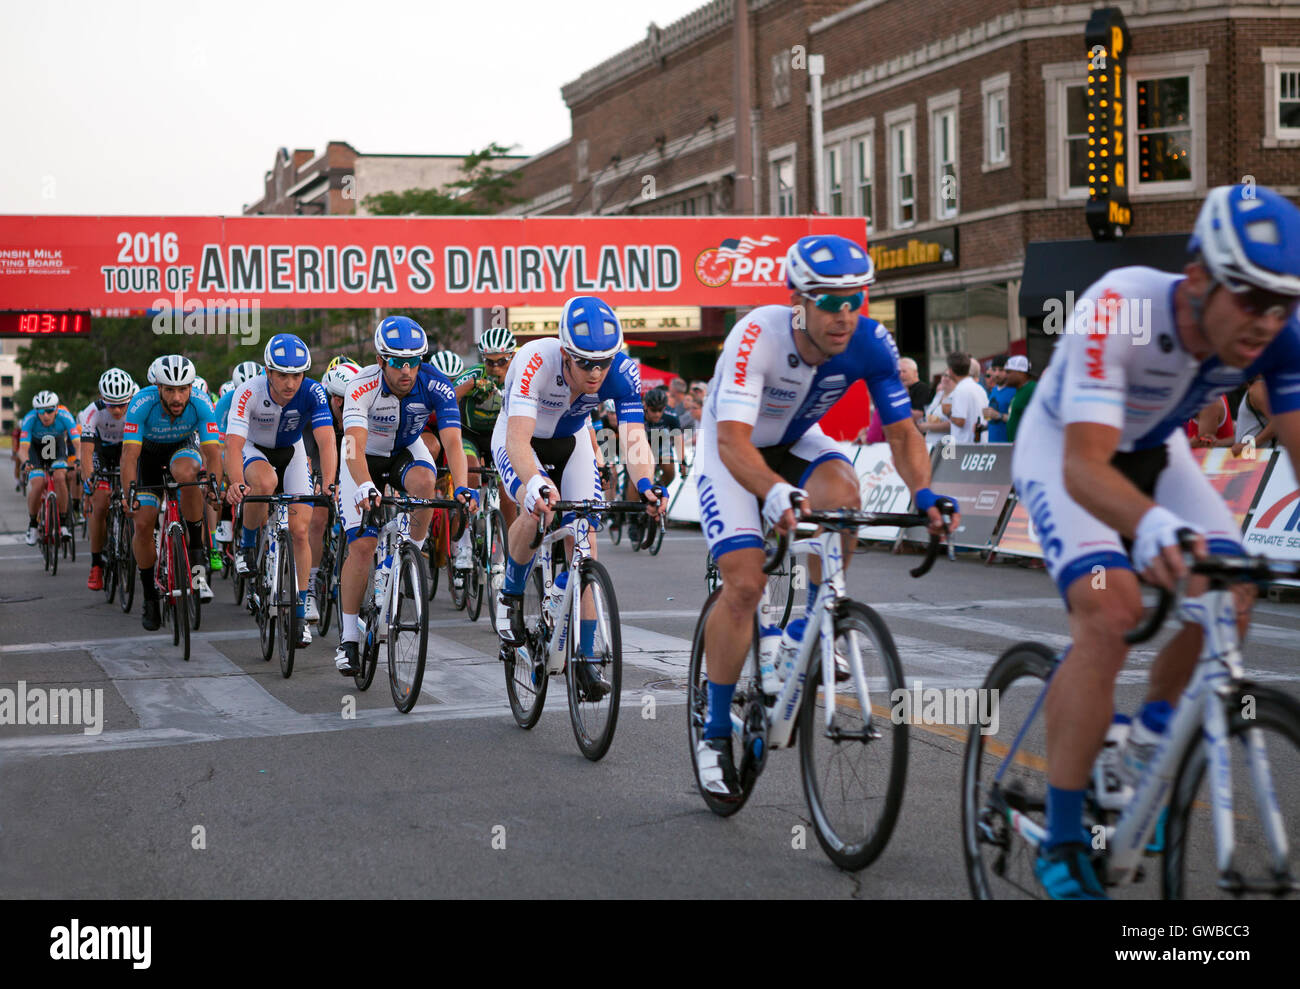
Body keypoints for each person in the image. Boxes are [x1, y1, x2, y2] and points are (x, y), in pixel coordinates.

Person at [1010, 183, 1300, 899]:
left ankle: (1148, 741)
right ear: (1198, 276)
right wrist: (1151, 525)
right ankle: (1066, 837)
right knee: (1110, 612)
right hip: (1067, 449)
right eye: (1251, 296)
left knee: (1232, 586)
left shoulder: (1279, 335)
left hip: (1155, 448)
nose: (1267, 319)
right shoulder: (1125, 304)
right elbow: (1084, 466)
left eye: (1283, 301)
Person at [691, 234, 960, 802]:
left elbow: (904, 433)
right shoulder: (756, 336)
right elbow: (735, 444)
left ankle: (811, 626)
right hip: (731, 449)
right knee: (744, 582)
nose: (844, 315)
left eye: (854, 299)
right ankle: (714, 733)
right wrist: (773, 493)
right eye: (828, 301)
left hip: (793, 439)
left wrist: (928, 496)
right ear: (800, 301)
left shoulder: (870, 343)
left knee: (844, 493)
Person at [492, 296, 664, 701]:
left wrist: (646, 486)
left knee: (585, 539)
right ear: (565, 354)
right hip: (522, 440)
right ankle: (512, 593)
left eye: (604, 361)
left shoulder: (622, 371)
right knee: (537, 511)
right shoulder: (536, 360)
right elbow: (517, 440)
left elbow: (634, 438)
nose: (596, 372)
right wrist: (534, 483)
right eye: (585, 363)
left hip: (571, 442)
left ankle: (586, 660)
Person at [334, 316, 477, 676]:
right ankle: (349, 638)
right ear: (381, 360)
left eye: (414, 361)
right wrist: (365, 484)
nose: (406, 371)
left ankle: (412, 547)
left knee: (427, 484)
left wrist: (462, 487)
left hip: (403, 450)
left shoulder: (436, 384)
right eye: (397, 362)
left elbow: (454, 443)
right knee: (362, 546)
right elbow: (352, 444)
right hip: (362, 456)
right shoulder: (360, 386)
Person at [224, 334, 337, 649]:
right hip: (254, 448)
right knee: (264, 484)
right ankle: (247, 545)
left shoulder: (313, 392)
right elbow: (232, 445)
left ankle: (299, 615)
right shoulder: (249, 392)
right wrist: (235, 482)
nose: (290, 383)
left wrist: (328, 481)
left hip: (292, 451)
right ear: (268, 372)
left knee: (300, 531)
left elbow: (326, 440)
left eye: (297, 375)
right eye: (283, 375)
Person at [119, 355, 224, 630]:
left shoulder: (202, 402)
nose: (177, 397)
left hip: (183, 448)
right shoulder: (141, 402)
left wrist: (214, 488)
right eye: (169, 390)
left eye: (182, 389)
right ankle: (150, 598)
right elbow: (130, 455)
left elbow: (213, 453)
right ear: (158, 388)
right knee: (142, 525)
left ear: (191, 387)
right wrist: (128, 493)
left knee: (188, 475)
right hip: (148, 458)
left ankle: (198, 555)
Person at [449, 327, 519, 586]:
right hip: (470, 435)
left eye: (502, 361)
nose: (495, 367)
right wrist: (470, 386)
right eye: (490, 362)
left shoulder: (518, 376)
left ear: (511, 359)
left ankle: (502, 558)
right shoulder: (475, 374)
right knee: (469, 472)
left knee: (508, 494)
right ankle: (464, 545)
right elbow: (448, 397)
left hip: (499, 438)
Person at [79, 368, 136, 589]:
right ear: (102, 399)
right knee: (100, 501)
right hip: (100, 452)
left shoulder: (136, 408)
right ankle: (96, 565)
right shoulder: (91, 412)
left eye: (123, 404)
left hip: (127, 451)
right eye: (112, 404)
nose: (118, 409)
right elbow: (86, 453)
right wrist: (88, 479)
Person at [19, 390, 80, 546]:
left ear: (56, 409)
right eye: (41, 411)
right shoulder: (30, 418)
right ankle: (32, 524)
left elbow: (77, 443)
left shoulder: (65, 417)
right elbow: (23, 448)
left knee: (60, 478)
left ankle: (64, 523)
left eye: (49, 410)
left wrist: (78, 460)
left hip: (56, 446)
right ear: (36, 411)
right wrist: (26, 462)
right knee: (38, 483)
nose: (45, 415)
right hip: (35, 450)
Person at [940, 351, 989, 445]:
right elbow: (987, 417)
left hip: (964, 447)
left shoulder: (960, 390)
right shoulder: (979, 388)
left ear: (950, 370)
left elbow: (960, 421)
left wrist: (948, 413)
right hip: (980, 445)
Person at [1232, 375, 1276, 455]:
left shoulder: (1257, 389)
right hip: (1251, 457)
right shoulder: (1256, 388)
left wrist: (1249, 445)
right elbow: (1248, 431)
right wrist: (1219, 443)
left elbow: (1277, 423)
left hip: (1257, 459)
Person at [982, 355, 1017, 443]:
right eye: (994, 370)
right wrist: (983, 427)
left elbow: (1018, 420)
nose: (996, 374)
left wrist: (999, 415)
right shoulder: (994, 390)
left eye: (1001, 370)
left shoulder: (1015, 390)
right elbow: (993, 420)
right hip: (993, 445)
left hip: (1008, 446)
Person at [1003, 356, 1035, 442]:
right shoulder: (1019, 391)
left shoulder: (1032, 389)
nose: (1005, 375)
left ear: (1021, 372)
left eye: (1008, 372)